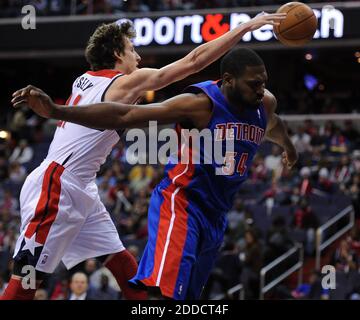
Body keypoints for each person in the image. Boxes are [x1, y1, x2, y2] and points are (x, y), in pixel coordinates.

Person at [1, 14, 286, 301]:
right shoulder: (124, 82)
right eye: (132, 50)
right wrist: (246, 27)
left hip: (81, 186)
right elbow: (193, 62)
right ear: (117, 54)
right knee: (27, 278)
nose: (137, 57)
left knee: (124, 266)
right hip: (59, 184)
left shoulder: (84, 80)